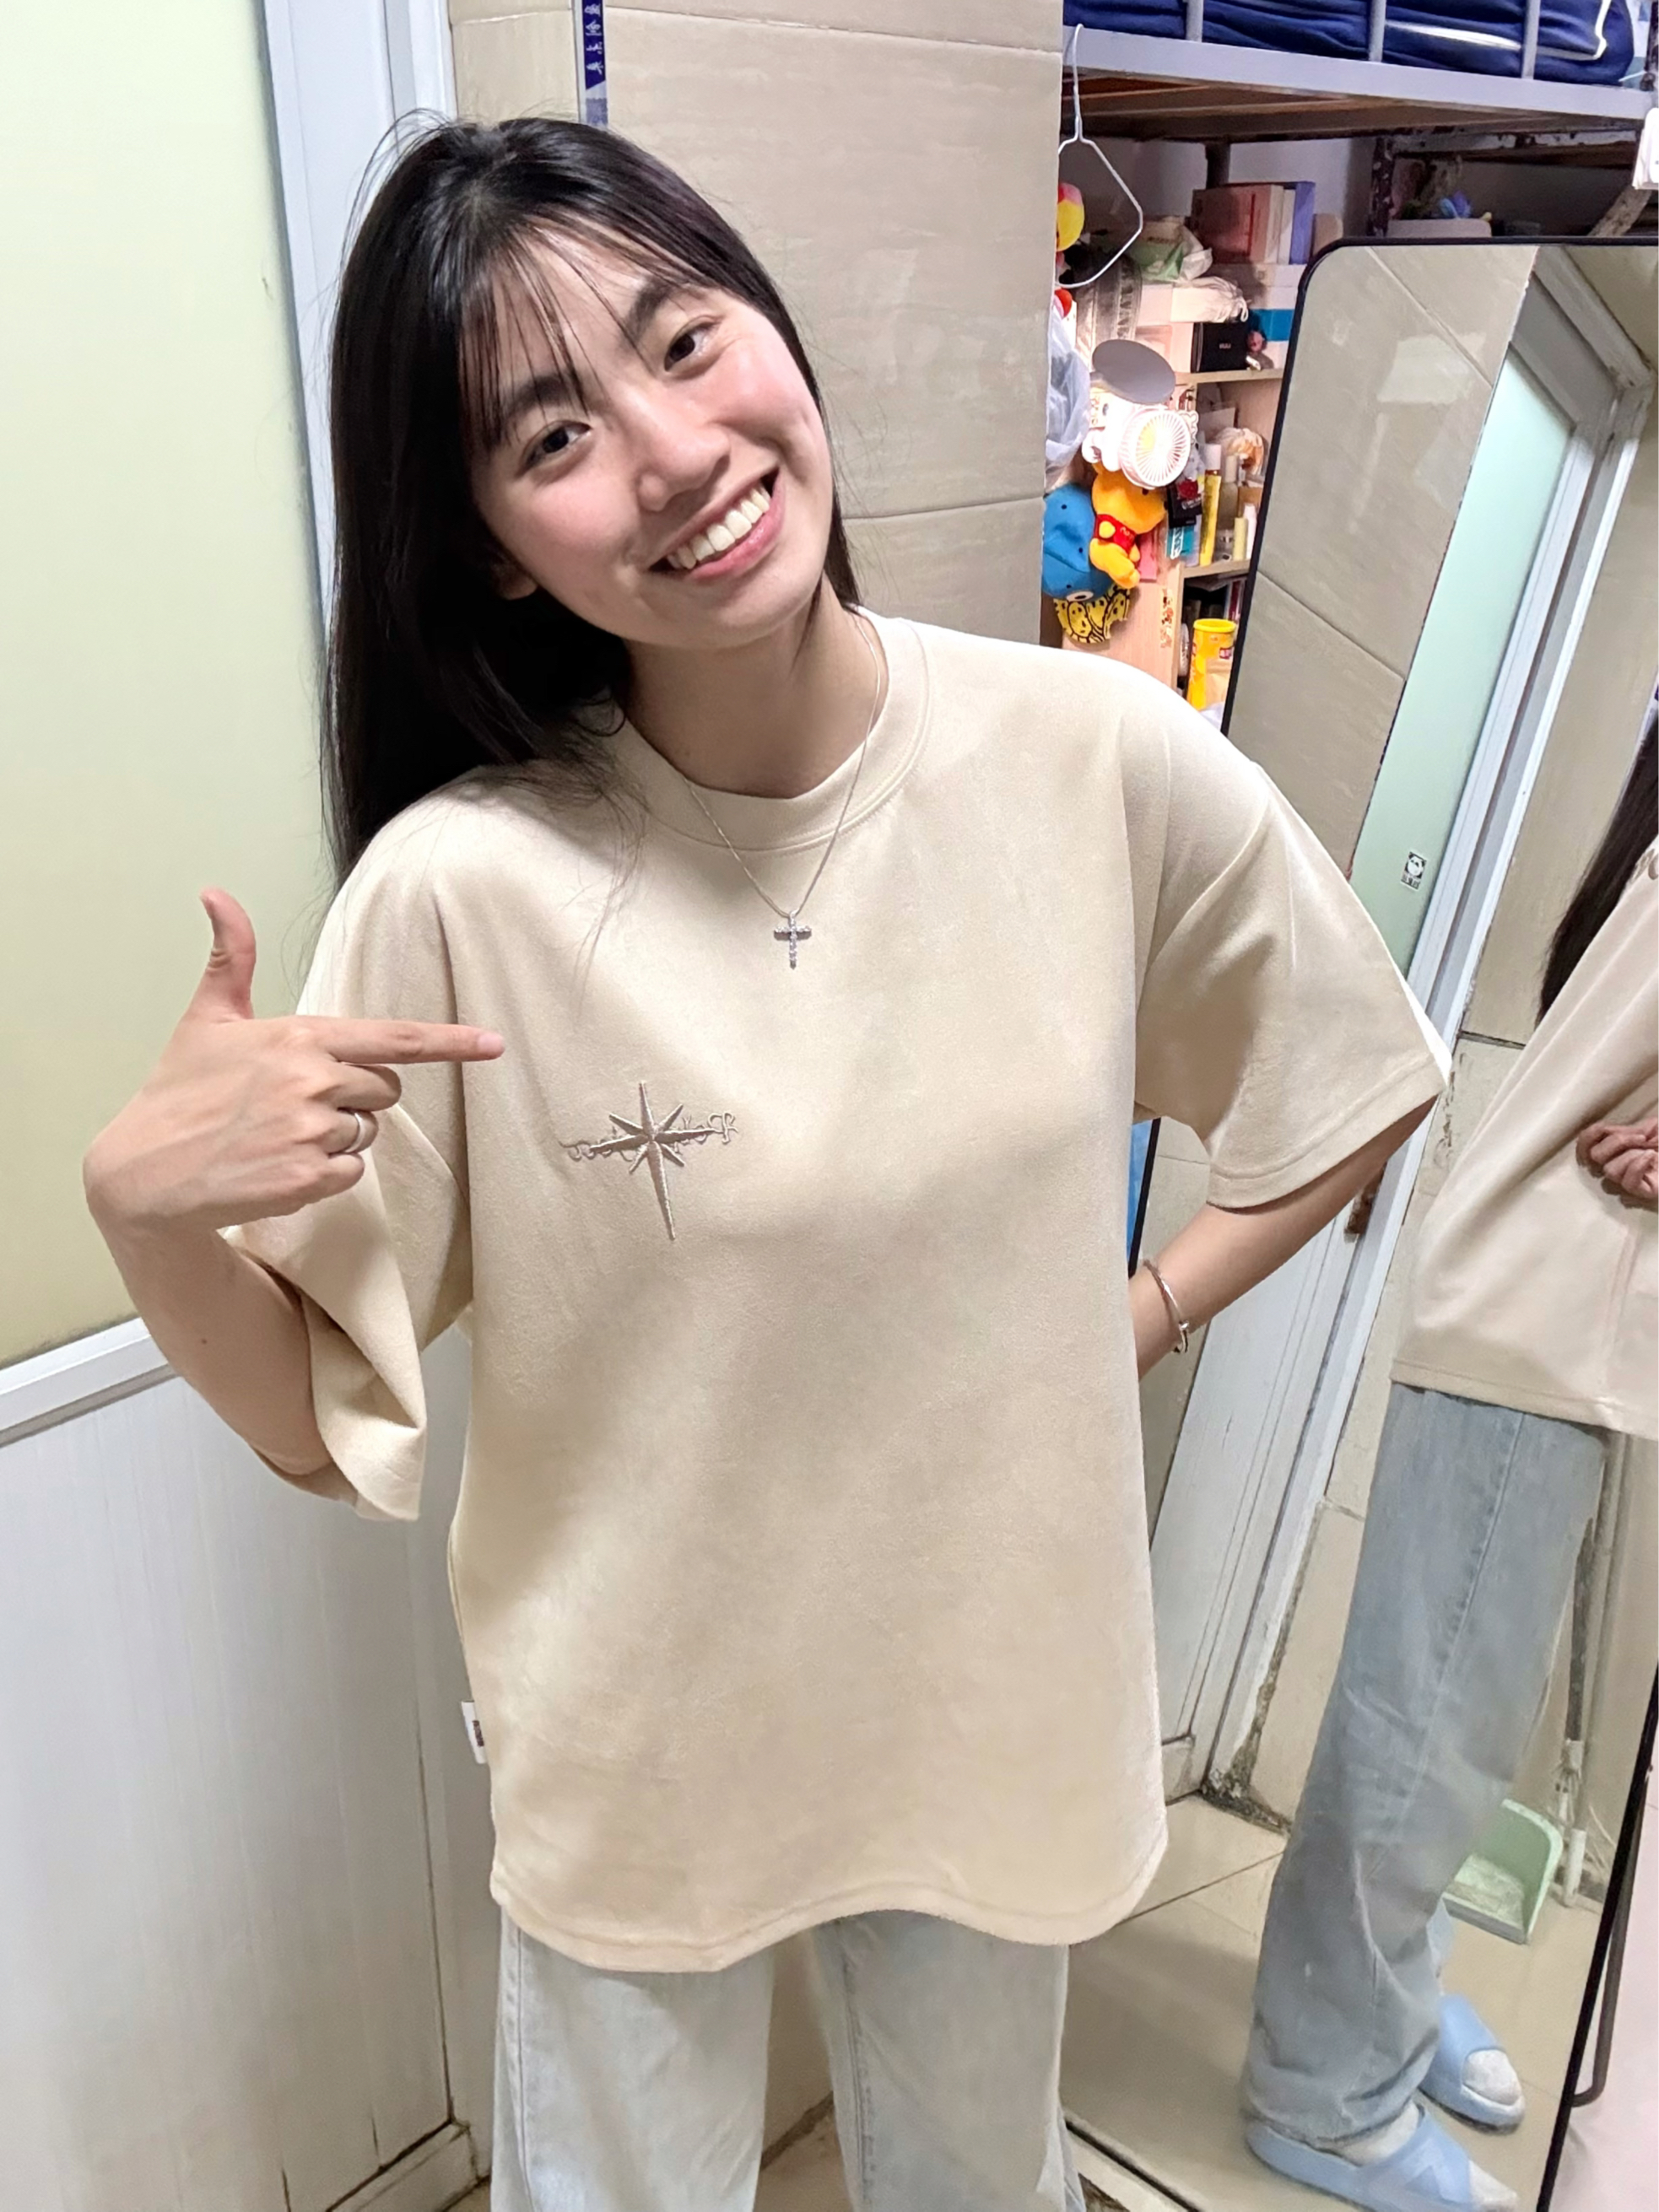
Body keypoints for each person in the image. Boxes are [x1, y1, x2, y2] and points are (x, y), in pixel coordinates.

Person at [83, 121, 1446, 2212]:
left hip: (984, 1691)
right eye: (553, 435)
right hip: (642, 1754)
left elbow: (1352, 1069)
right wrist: (146, 1215)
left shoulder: (1087, 760)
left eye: (683, 340)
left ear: (772, 335)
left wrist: (1138, 1312)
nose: (671, 453)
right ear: (488, 545)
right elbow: (310, 1409)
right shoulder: (465, 891)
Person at [1244, 709, 1659, 2212]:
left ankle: (1386, 2002)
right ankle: (1322, 2092)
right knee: (1427, 1729)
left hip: (1560, 1311)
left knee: (1448, 1720)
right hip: (1545, 1311)